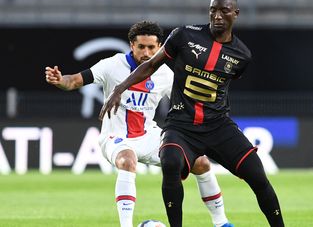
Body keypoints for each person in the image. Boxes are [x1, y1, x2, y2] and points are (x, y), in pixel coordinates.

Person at [99, 0, 285, 227]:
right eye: (213, 10)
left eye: (224, 10)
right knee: (170, 163)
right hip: (181, 125)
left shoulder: (242, 56)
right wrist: (119, 88)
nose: (217, 15)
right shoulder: (184, 35)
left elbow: (223, 86)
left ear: (235, 14)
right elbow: (151, 66)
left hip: (218, 125)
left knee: (258, 176)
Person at [45, 21, 233, 227]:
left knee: (201, 162)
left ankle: (221, 222)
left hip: (148, 136)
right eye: (141, 47)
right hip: (115, 137)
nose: (146, 52)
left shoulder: (165, 74)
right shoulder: (111, 65)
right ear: (131, 45)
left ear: (160, 47)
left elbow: (190, 106)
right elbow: (74, 81)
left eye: (152, 47)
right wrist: (60, 80)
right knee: (127, 160)